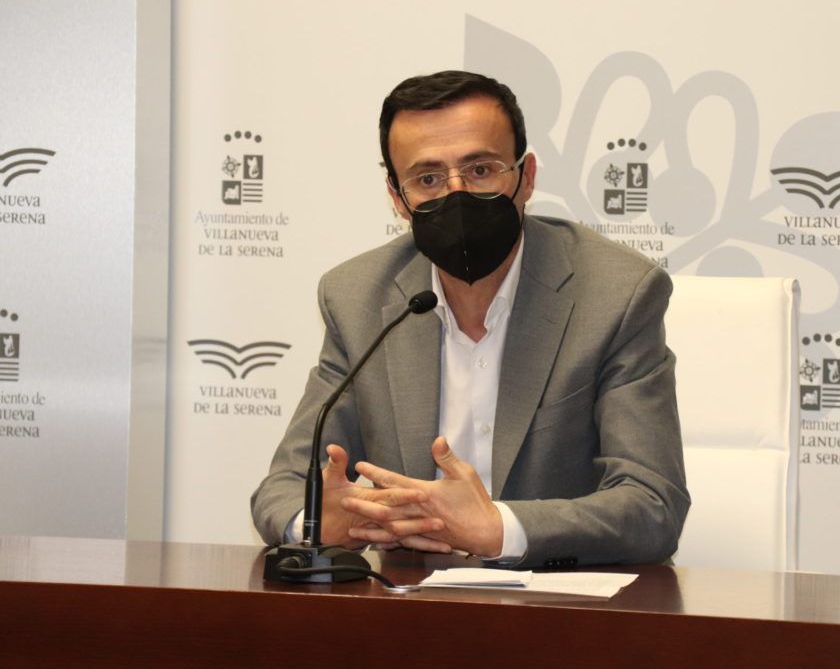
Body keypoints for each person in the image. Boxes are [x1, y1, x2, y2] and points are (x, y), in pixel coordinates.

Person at [251, 70, 689, 568]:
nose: (456, 195)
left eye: (481, 169)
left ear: (526, 176)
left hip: (561, 603)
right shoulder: (358, 299)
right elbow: (281, 489)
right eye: (428, 179)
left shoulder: (615, 295)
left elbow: (653, 505)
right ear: (397, 197)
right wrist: (320, 522)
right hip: (413, 602)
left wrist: (499, 528)